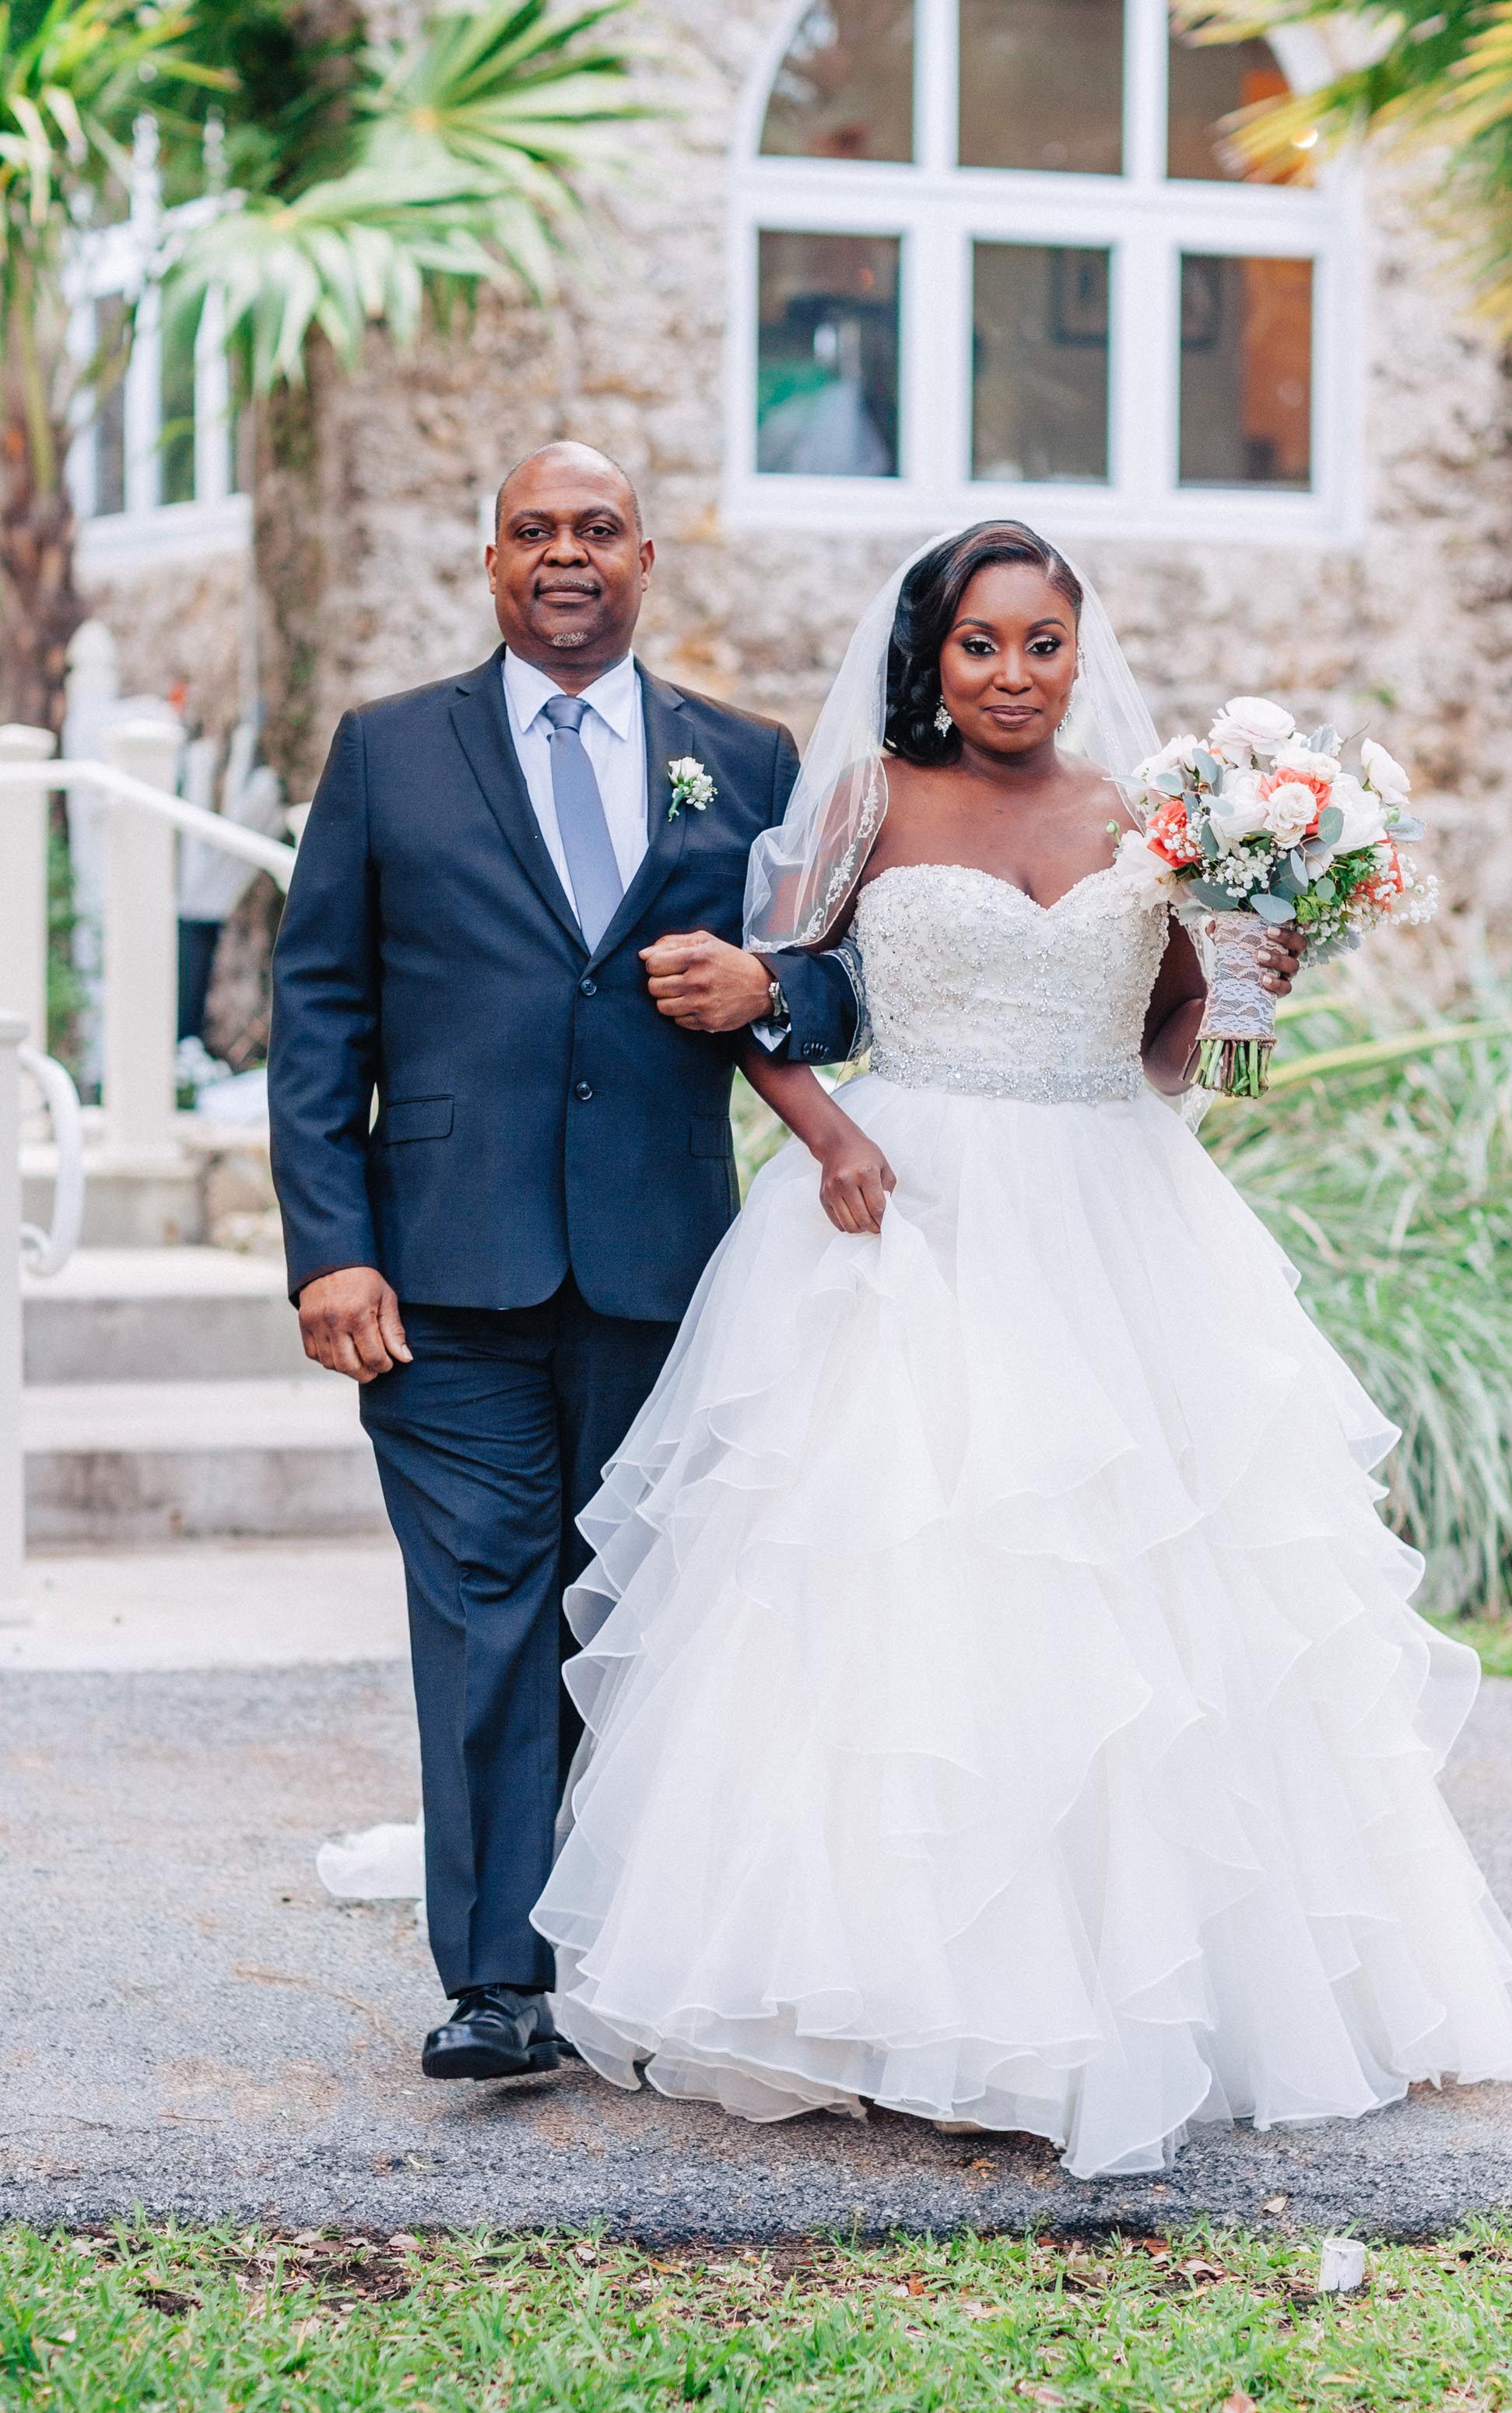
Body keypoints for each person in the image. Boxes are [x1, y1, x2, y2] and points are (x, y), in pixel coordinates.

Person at [528, 521, 1512, 2179]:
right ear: (928, 656)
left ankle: (1149, 1996)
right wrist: (825, 1139)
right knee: (900, 1588)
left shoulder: (1150, 819)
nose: (1011, 676)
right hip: (905, 1213)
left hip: (1112, 1216)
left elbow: (1168, 1060)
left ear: (1081, 653)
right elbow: (769, 999)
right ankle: (885, 1991)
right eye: (979, 646)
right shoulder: (867, 799)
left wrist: (1245, 987)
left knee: (1145, 1602)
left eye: (1042, 644)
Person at [268, 441, 865, 2081]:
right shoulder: (388, 755)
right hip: (440, 1277)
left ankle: (632, 1949)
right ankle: (494, 1982)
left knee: (638, 1616)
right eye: (532, 532)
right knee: (480, 1615)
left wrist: (767, 994)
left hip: (664, 1275)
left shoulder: (739, 760)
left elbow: (836, 979)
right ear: (489, 564)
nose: (564, 556)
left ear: (646, 559)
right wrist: (330, 1248)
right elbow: (317, 1015)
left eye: (595, 530)